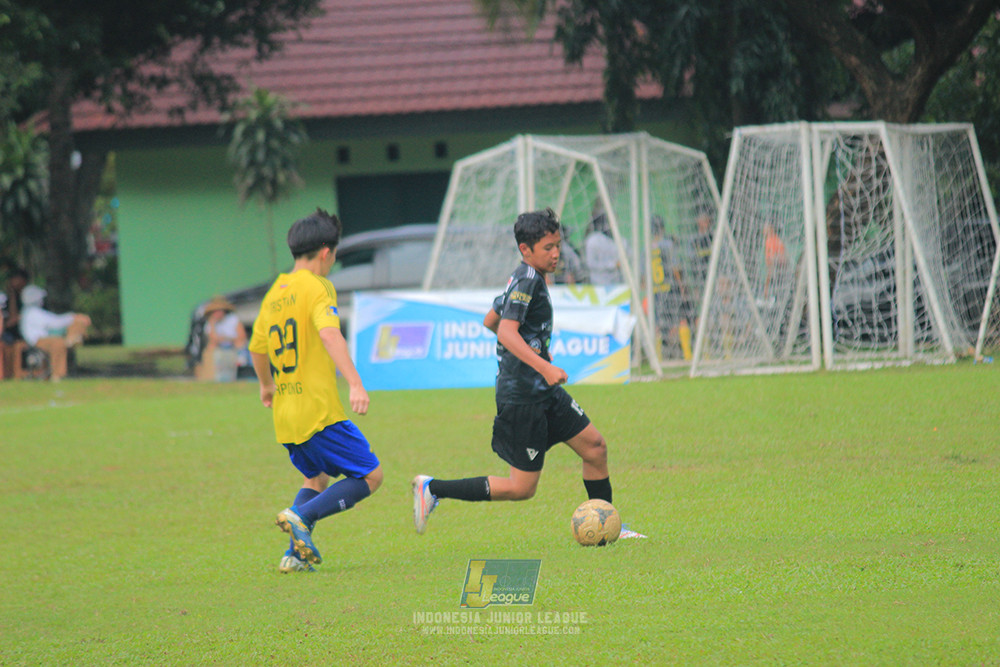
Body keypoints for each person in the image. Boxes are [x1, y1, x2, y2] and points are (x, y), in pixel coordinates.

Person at [412, 207, 643, 539]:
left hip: (541, 391)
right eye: (547, 248)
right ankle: (433, 489)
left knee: (595, 447)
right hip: (522, 397)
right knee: (522, 488)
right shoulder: (526, 280)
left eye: (557, 245)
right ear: (526, 250)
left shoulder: (524, 277)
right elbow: (506, 331)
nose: (556, 253)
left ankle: (608, 524)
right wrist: (543, 365)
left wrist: (534, 355)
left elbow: (490, 320)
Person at [248, 208, 383, 574]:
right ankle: (301, 517)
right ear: (326, 251)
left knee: (316, 478)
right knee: (371, 476)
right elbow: (329, 332)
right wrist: (355, 382)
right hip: (318, 411)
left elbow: (257, 348)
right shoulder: (318, 286)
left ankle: (294, 555)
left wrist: (266, 385)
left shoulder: (274, 293)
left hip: (286, 415)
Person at [18, 284, 92, 381]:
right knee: (59, 344)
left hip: (46, 337)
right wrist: (74, 316)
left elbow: (55, 321)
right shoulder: (32, 312)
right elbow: (55, 323)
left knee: (77, 323)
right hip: (39, 340)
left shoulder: (32, 311)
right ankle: (57, 374)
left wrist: (74, 317)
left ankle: (72, 338)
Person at [194, 296, 247, 382]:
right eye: (215, 311)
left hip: (233, 346)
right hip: (220, 347)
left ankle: (241, 365)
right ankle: (211, 371)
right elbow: (213, 339)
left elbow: (242, 336)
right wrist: (212, 324)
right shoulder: (210, 323)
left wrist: (227, 339)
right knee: (210, 346)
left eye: (220, 310)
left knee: (240, 343)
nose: (218, 313)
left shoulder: (233, 320)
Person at [584, 207, 621, 285]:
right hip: (597, 284)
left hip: (616, 284)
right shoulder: (592, 240)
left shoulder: (617, 241)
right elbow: (590, 263)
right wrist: (612, 265)